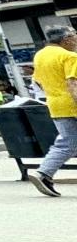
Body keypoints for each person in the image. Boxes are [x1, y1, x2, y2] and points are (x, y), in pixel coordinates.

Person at [28, 23, 77, 197]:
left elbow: (38, 82)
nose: (76, 38)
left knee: (69, 141)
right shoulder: (69, 56)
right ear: (66, 39)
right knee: (69, 142)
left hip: (55, 104)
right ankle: (44, 173)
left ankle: (45, 173)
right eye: (74, 35)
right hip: (72, 105)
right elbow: (73, 84)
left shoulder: (40, 55)